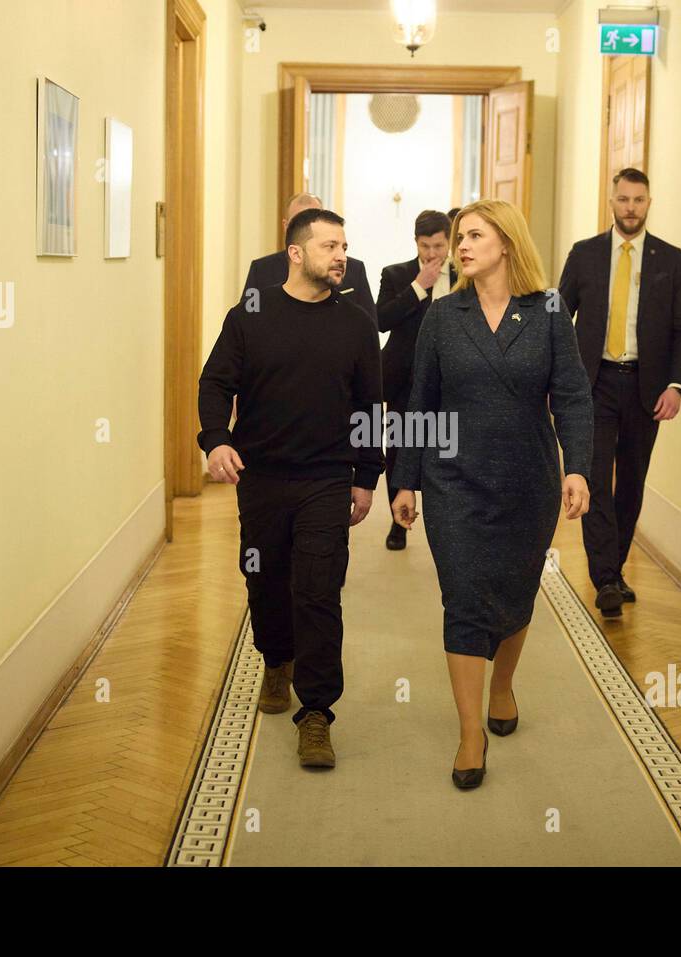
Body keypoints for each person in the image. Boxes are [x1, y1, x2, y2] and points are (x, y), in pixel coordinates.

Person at [391, 199, 593, 790]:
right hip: (454, 482)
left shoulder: (549, 311)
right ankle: (469, 732)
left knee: (514, 592)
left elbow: (574, 397)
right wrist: (405, 478)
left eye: (474, 235)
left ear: (507, 242)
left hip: (528, 482)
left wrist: (576, 468)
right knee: (464, 597)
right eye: (459, 238)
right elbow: (419, 401)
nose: (461, 246)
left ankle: (502, 684)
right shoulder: (443, 315)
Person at [199, 207, 384, 769]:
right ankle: (276, 658)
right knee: (264, 578)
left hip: (326, 478)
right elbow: (215, 381)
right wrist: (215, 440)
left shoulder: (354, 321)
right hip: (261, 477)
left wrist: (367, 476)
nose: (341, 255)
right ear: (296, 254)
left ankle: (318, 713)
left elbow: (369, 404)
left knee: (319, 590)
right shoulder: (250, 313)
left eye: (344, 245)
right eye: (329, 246)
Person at [557, 168, 681, 618]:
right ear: (611, 201)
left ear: (649, 203)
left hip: (645, 388)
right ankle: (605, 579)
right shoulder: (585, 254)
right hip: (592, 386)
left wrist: (676, 385)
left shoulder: (669, 259)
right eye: (623, 199)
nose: (630, 208)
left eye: (638, 200)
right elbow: (559, 319)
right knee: (595, 477)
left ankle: (613, 571)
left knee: (632, 483)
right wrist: (557, 380)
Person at [375, 209, 457, 550]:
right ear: (416, 243)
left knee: (447, 451)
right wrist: (418, 288)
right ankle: (399, 522)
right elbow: (380, 320)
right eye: (426, 246)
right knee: (397, 451)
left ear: (449, 242)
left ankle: (451, 523)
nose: (432, 254)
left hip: (453, 379)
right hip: (404, 378)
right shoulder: (396, 275)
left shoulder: (466, 274)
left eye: (439, 245)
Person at [239, 192, 376, 322]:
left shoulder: (353, 270)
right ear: (286, 226)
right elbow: (248, 317)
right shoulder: (262, 270)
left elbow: (368, 323)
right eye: (300, 221)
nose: (341, 257)